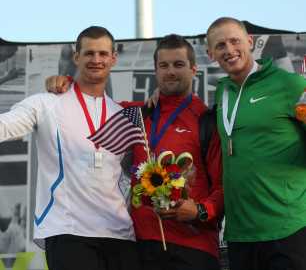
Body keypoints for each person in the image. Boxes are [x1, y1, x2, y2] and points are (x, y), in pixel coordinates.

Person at [45, 34, 224, 270]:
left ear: (193, 69)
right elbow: (92, 103)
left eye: (178, 65)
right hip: (142, 248)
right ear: (155, 70)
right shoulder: (137, 114)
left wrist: (200, 211)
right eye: (164, 65)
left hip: (194, 247)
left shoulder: (207, 121)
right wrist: (66, 82)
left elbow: (224, 186)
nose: (170, 72)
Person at [0, 26, 140, 270]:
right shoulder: (46, 103)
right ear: (76, 57)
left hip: (120, 235)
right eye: (89, 53)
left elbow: (133, 169)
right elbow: (6, 125)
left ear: (113, 58)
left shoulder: (123, 115)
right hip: (68, 231)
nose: (96, 60)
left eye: (103, 54)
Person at [206, 17, 306, 270]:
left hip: (288, 227)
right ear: (210, 54)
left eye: (234, 41)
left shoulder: (290, 84)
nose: (229, 50)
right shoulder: (223, 91)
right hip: (240, 233)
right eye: (220, 46)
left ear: (249, 42)